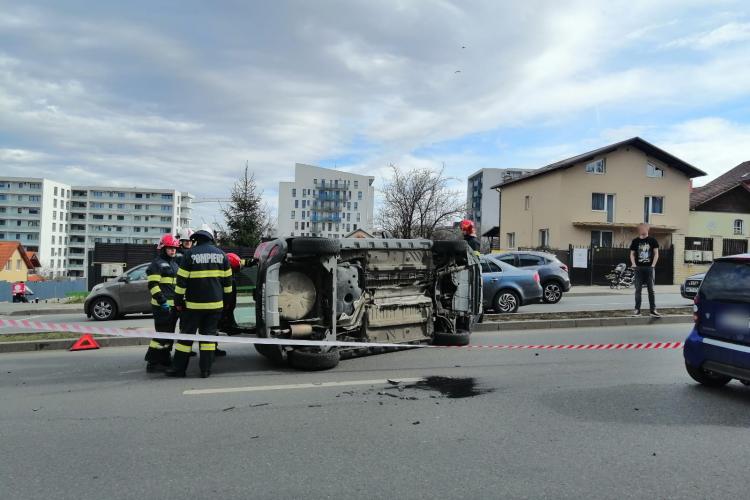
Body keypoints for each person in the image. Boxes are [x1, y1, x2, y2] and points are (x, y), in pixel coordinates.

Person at [166, 227, 232, 378]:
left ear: (197, 239)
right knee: (208, 338)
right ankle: (205, 370)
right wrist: (226, 303)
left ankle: (179, 369)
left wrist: (178, 302)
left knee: (186, 338)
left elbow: (181, 282)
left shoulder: (189, 255)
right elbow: (228, 284)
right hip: (215, 306)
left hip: (193, 307)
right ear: (210, 238)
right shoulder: (222, 255)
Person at [143, 234, 181, 372]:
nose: (173, 251)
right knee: (161, 334)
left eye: (175, 248)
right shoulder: (156, 264)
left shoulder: (174, 264)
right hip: (161, 306)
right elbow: (153, 285)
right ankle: (152, 362)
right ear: (163, 248)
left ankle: (164, 358)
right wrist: (162, 301)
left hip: (173, 306)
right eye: (170, 248)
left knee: (168, 334)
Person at [629, 223, 660, 317]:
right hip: (638, 269)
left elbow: (656, 254)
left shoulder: (653, 240)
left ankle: (653, 310)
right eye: (640, 228)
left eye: (644, 228)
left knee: (651, 290)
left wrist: (653, 265)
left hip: (649, 268)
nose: (642, 230)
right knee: (638, 290)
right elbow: (632, 254)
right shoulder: (635, 241)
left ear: (648, 229)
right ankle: (637, 310)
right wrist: (633, 264)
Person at [218, 252, 242, 335]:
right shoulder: (228, 278)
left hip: (228, 304)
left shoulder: (230, 276)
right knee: (227, 311)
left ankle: (229, 325)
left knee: (229, 311)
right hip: (226, 304)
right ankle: (226, 325)